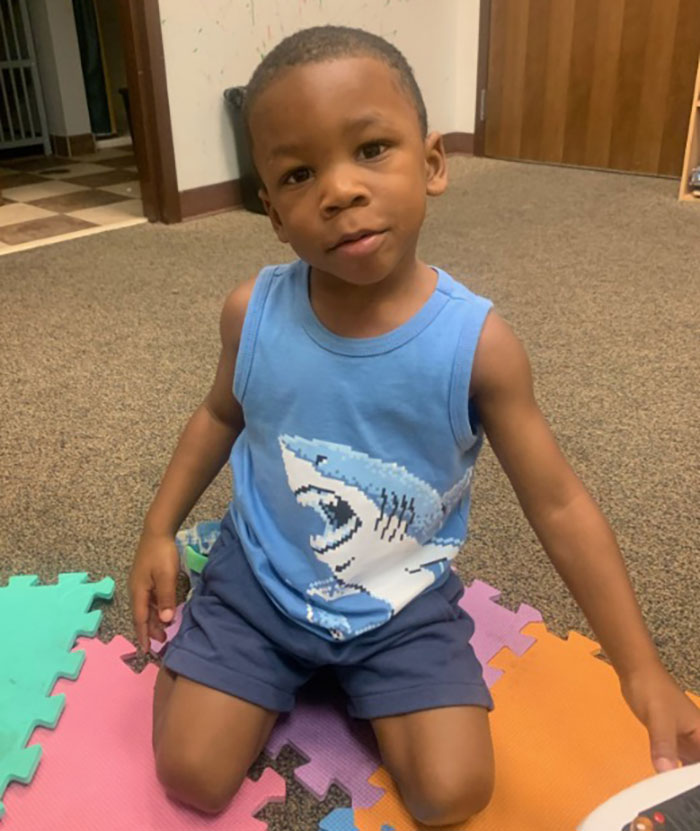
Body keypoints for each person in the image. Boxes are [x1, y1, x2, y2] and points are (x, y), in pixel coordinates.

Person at [128, 25, 700, 827]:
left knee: (453, 792)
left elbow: (560, 504)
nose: (339, 190)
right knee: (190, 771)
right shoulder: (250, 312)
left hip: (400, 598)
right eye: (298, 173)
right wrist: (159, 527)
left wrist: (640, 666)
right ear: (273, 212)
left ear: (432, 163)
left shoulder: (479, 347)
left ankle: (340, 672)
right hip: (261, 580)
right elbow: (220, 413)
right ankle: (215, 602)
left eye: (370, 149)